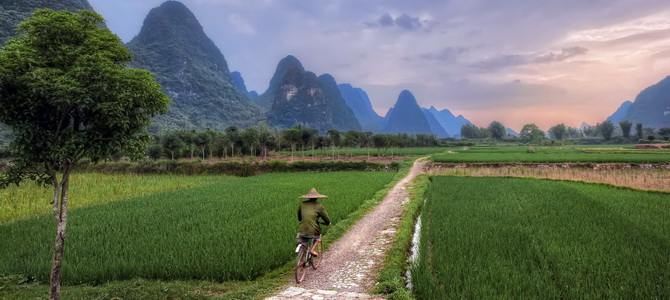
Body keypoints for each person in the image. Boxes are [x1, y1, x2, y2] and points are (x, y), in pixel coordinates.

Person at [297, 188, 331, 256]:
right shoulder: (319, 205)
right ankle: (312, 250)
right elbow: (325, 217)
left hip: (301, 230)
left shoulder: (302, 204)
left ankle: (301, 261)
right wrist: (328, 223)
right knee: (318, 237)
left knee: (302, 241)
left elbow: (299, 217)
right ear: (316, 198)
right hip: (313, 230)